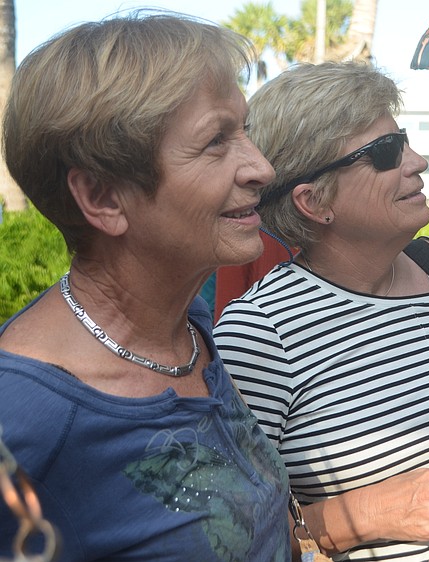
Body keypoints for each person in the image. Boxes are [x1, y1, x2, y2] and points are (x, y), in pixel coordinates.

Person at [0, 13, 292, 562]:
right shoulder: (22, 419)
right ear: (103, 197)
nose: (262, 168)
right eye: (215, 141)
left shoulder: (187, 326)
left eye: (244, 130)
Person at [213, 61, 429, 561]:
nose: (418, 161)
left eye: (404, 141)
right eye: (386, 152)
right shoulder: (260, 334)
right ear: (314, 201)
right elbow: (232, 533)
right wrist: (379, 511)